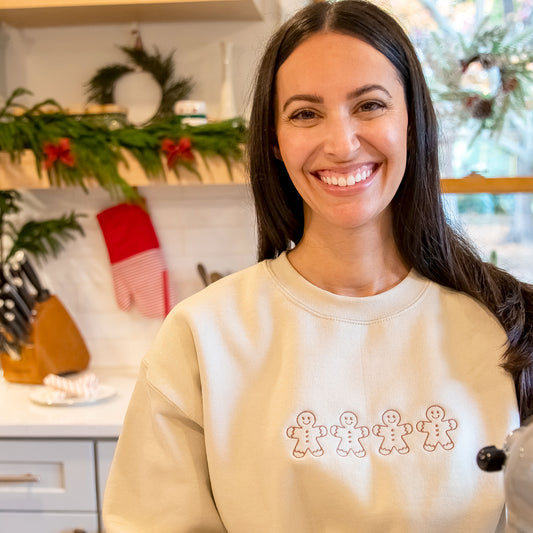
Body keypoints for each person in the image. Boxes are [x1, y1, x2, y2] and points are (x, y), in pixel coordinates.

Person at [103, 1, 533, 531]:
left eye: (370, 105)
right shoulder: (200, 337)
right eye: (305, 113)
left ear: (413, 122)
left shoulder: (512, 324)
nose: (341, 143)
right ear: (276, 143)